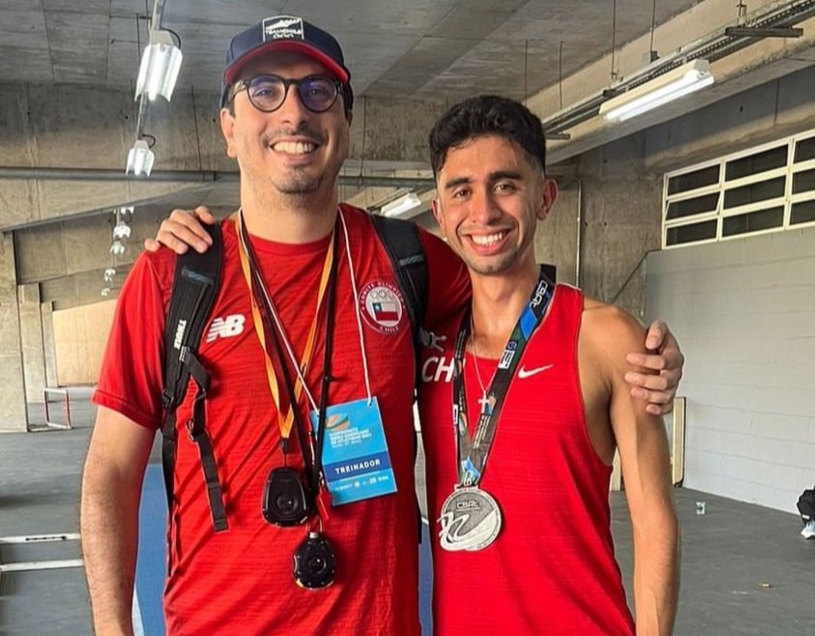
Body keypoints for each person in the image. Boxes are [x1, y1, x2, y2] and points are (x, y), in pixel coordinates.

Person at [84, 15, 683, 636]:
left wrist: (646, 355)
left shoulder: (410, 263)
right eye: (264, 90)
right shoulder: (173, 280)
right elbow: (109, 474)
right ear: (230, 128)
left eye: (318, 93)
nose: (293, 113)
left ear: (343, 127)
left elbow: (512, 303)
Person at [418, 95, 679, 635]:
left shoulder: (607, 339)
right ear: (440, 212)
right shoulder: (424, 340)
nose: (484, 211)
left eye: (505, 185)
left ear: (544, 197)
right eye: (461, 191)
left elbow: (654, 522)